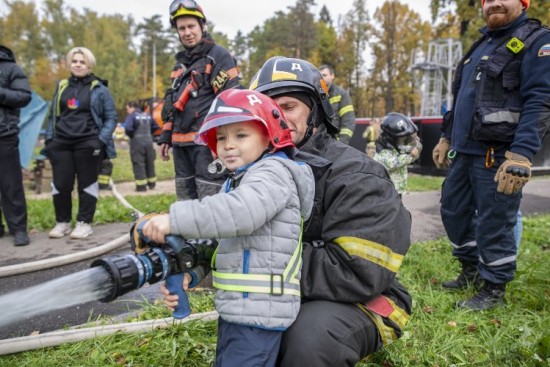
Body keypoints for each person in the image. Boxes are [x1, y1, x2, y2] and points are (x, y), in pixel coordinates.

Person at [246, 57, 410, 366]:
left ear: (317, 112)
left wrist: (257, 258)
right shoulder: (258, 173)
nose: (277, 117)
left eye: (288, 107)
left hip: (363, 299)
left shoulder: (357, 174)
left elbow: (358, 272)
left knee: (308, 341)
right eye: (267, 109)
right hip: (291, 289)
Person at [144, 89, 314, 367]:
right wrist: (195, 274)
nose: (228, 145)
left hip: (260, 315)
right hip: (240, 310)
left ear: (269, 135)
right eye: (221, 137)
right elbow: (226, 248)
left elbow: (240, 212)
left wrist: (175, 220)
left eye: (240, 135)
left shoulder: (273, 174)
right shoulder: (241, 180)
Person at [432, 0, 550, 310]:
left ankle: (493, 288)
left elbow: (540, 101)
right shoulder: (480, 44)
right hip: (465, 153)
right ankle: (470, 270)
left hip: (499, 156)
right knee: (453, 212)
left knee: (494, 222)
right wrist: (446, 136)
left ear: (523, 3)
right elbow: (460, 98)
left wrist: (521, 155)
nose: (494, 2)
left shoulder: (537, 42)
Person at [158, 0, 240, 201]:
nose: (187, 32)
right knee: (185, 198)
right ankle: (190, 233)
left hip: (205, 145)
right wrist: (165, 137)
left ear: (202, 26)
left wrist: (223, 141)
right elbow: (172, 104)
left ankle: (209, 235)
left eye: (191, 26)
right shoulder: (179, 65)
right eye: (181, 28)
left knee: (210, 199)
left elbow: (230, 99)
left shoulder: (218, 56)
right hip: (180, 145)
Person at [44, 47, 117, 239]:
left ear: (89, 65)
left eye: (82, 61)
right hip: (61, 144)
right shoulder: (62, 86)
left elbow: (111, 118)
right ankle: (63, 222)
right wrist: (50, 140)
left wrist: (99, 141)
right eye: (74, 61)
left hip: (88, 144)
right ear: (69, 64)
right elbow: (52, 115)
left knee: (87, 185)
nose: (78, 64)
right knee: (60, 185)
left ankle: (84, 223)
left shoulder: (100, 88)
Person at [0, 44, 32, 246]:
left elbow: (24, 96)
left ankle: (18, 229)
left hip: (4, 133)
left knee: (11, 184)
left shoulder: (11, 68)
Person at [374, 112, 422, 197]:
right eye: (403, 139)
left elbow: (412, 153)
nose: (405, 142)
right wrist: (410, 156)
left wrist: (415, 150)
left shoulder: (397, 149)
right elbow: (394, 163)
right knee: (389, 209)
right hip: (387, 190)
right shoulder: (383, 152)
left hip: (397, 189)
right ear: (391, 139)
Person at [123, 101, 159, 191]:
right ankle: (152, 184)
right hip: (149, 142)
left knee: (138, 163)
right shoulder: (147, 115)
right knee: (150, 162)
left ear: (132, 107)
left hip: (137, 142)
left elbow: (127, 128)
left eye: (127, 109)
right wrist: (148, 134)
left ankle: (141, 186)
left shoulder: (132, 116)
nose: (127, 111)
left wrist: (132, 136)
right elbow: (156, 126)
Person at [319, 64, 356, 144]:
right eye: (320, 76)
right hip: (319, 144)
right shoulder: (316, 94)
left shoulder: (342, 94)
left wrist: (341, 143)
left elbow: (348, 121)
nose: (322, 78)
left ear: (332, 76)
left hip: (336, 143)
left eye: (324, 75)